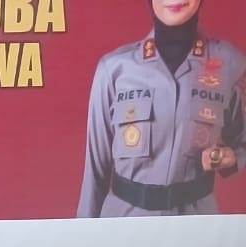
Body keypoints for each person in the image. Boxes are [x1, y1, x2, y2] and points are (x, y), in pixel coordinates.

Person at [78, 0, 246, 217]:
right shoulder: (114, 69)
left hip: (197, 223)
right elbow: (95, 170)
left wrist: (231, 158)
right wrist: (84, 232)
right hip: (124, 221)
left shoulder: (231, 64)